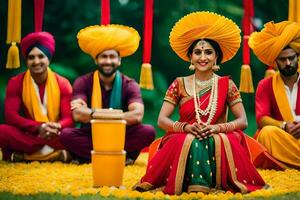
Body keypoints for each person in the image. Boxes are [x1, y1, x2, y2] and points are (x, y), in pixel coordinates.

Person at [133, 11, 267, 194]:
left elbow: (243, 120)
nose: (203, 57)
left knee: (209, 139)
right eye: (197, 52)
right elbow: (162, 120)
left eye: (208, 52)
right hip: (184, 132)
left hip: (218, 133)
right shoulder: (179, 83)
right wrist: (186, 127)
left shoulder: (226, 84)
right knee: (191, 139)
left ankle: (202, 184)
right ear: (190, 57)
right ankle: (197, 185)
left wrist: (216, 128)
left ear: (216, 57)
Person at [59, 24, 156, 164]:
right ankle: (121, 157)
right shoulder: (83, 82)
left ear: (119, 60)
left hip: (121, 135)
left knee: (148, 131)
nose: (108, 61)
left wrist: (94, 114)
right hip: (92, 135)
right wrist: (116, 115)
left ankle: (89, 157)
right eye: (103, 57)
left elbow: (137, 115)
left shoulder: (129, 84)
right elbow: (78, 114)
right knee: (66, 135)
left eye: (112, 57)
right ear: (95, 60)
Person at [0, 32, 74, 162]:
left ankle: (26, 156)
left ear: (48, 59)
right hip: (31, 134)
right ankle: (53, 155)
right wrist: (39, 127)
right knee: (2, 131)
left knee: (71, 136)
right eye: (31, 57)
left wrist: (56, 126)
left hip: (55, 134)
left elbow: (68, 118)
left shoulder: (63, 83)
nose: (36, 61)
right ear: (26, 60)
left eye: (41, 56)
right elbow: (11, 116)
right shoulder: (16, 82)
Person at [249, 21, 300, 170]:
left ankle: (285, 163)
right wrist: (284, 126)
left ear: (298, 57)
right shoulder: (265, 85)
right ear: (275, 62)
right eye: (282, 59)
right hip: (282, 138)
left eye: (292, 58)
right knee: (267, 134)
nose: (288, 63)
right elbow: (261, 119)